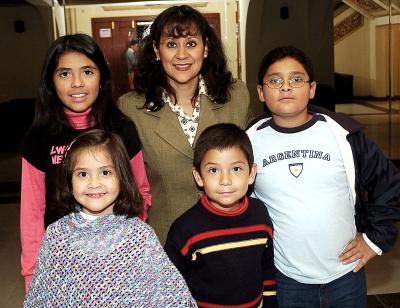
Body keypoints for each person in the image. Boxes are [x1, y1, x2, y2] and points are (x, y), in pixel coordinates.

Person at [247, 45, 400, 307]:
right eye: (275, 81)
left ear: (312, 88)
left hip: (346, 273)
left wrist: (374, 239)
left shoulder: (342, 134)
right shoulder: (248, 142)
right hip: (287, 278)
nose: (286, 87)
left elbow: (389, 183)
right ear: (261, 91)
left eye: (296, 79)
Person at [20, 33, 151, 290]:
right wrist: (32, 276)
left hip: (117, 260)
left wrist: (125, 241)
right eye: (65, 74)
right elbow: (31, 215)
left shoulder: (122, 129)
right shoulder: (38, 137)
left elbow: (141, 192)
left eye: (88, 72)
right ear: (51, 82)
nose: (77, 83)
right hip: (61, 263)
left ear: (101, 78)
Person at [118, 5, 251, 244]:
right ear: (157, 51)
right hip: (165, 242)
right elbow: (124, 184)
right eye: (171, 44)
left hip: (229, 237)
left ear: (206, 48)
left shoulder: (237, 96)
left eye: (191, 43)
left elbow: (253, 163)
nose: (182, 54)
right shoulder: (131, 108)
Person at [23, 129, 196, 307]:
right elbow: (43, 299)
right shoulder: (57, 235)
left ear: (122, 178)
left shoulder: (139, 235)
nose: (94, 183)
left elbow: (169, 296)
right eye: (83, 174)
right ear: (69, 181)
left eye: (105, 172)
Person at [164, 124, 277, 307]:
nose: (225, 181)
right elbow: (171, 284)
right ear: (198, 176)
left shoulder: (260, 214)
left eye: (236, 169)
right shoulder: (185, 229)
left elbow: (267, 267)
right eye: (214, 170)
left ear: (251, 173)